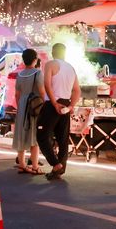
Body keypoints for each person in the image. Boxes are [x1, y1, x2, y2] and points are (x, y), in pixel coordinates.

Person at [37, 43, 81, 181]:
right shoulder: (71, 68)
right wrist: (72, 105)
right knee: (62, 138)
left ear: (53, 52)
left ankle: (56, 165)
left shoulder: (50, 64)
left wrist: (54, 102)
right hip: (66, 103)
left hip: (53, 104)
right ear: (65, 53)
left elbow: (47, 84)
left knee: (42, 135)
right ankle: (60, 167)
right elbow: (77, 90)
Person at [12, 48, 44, 175]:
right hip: (34, 107)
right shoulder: (38, 73)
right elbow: (42, 92)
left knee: (21, 134)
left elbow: (17, 94)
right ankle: (35, 166)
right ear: (35, 60)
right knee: (34, 136)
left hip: (22, 106)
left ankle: (22, 165)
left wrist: (21, 106)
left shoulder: (19, 74)